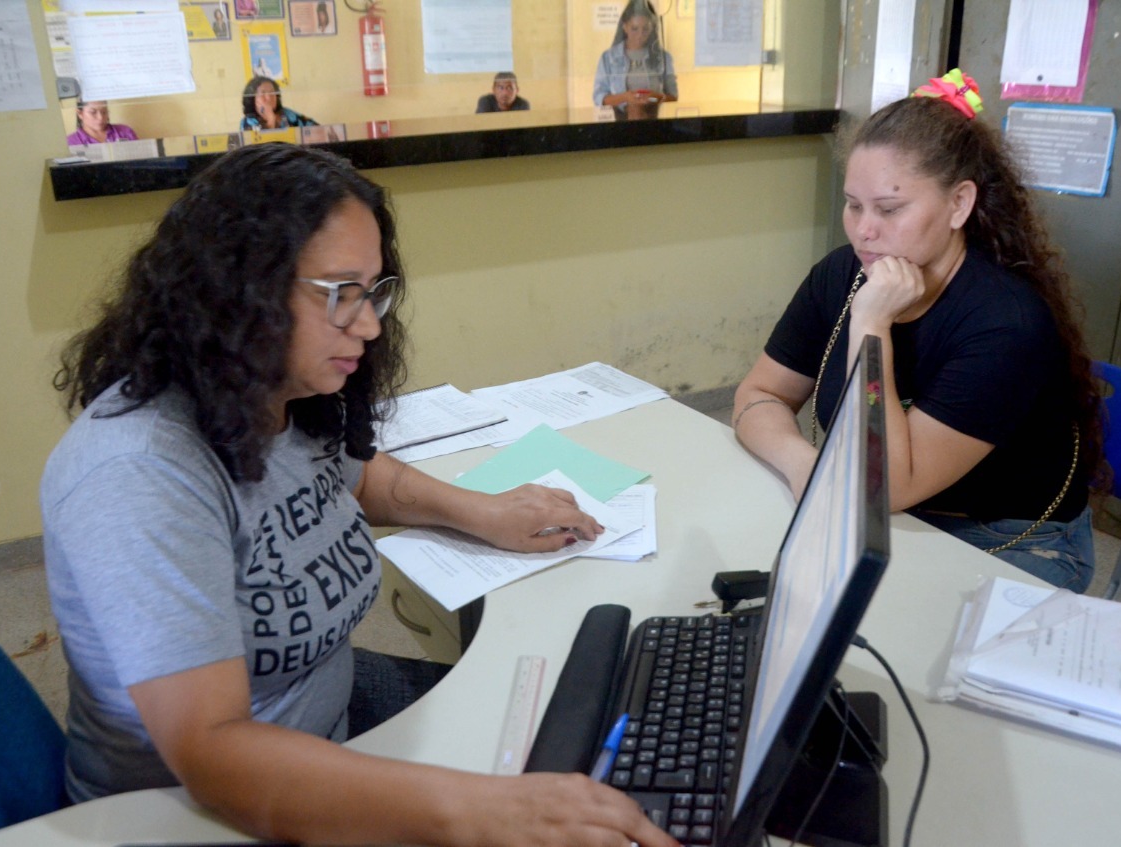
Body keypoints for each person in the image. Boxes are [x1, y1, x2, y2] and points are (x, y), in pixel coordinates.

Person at [41, 144, 674, 847]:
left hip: (330, 709)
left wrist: (483, 509)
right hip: (201, 809)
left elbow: (362, 476)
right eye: (340, 293)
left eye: (373, 291)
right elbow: (214, 752)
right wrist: (480, 810)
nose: (369, 325)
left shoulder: (277, 391)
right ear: (235, 288)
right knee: (538, 796)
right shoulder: (140, 473)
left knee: (592, 738)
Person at [733, 70, 1105, 592]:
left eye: (889, 209)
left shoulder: (1006, 325)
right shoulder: (840, 272)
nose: (864, 229)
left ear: (959, 204)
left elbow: (889, 489)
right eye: (853, 204)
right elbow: (760, 392)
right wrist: (803, 465)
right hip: (883, 513)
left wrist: (871, 323)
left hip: (1006, 541)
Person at [592, 0, 677, 119]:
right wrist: (626, 98)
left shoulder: (663, 58)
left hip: (654, 122)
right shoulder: (608, 58)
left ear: (652, 28)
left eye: (645, 29)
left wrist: (653, 98)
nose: (640, 35)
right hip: (620, 124)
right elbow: (599, 98)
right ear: (625, 27)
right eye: (634, 28)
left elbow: (673, 97)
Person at [240, 76, 317, 131]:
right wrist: (271, 118)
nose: (269, 97)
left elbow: (316, 128)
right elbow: (263, 148)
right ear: (253, 99)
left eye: (272, 92)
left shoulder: (288, 114)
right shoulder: (247, 122)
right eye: (263, 93)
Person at [66, 100, 138, 146]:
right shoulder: (71, 142)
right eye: (93, 112)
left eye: (104, 112)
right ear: (80, 113)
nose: (100, 117)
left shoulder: (125, 132)